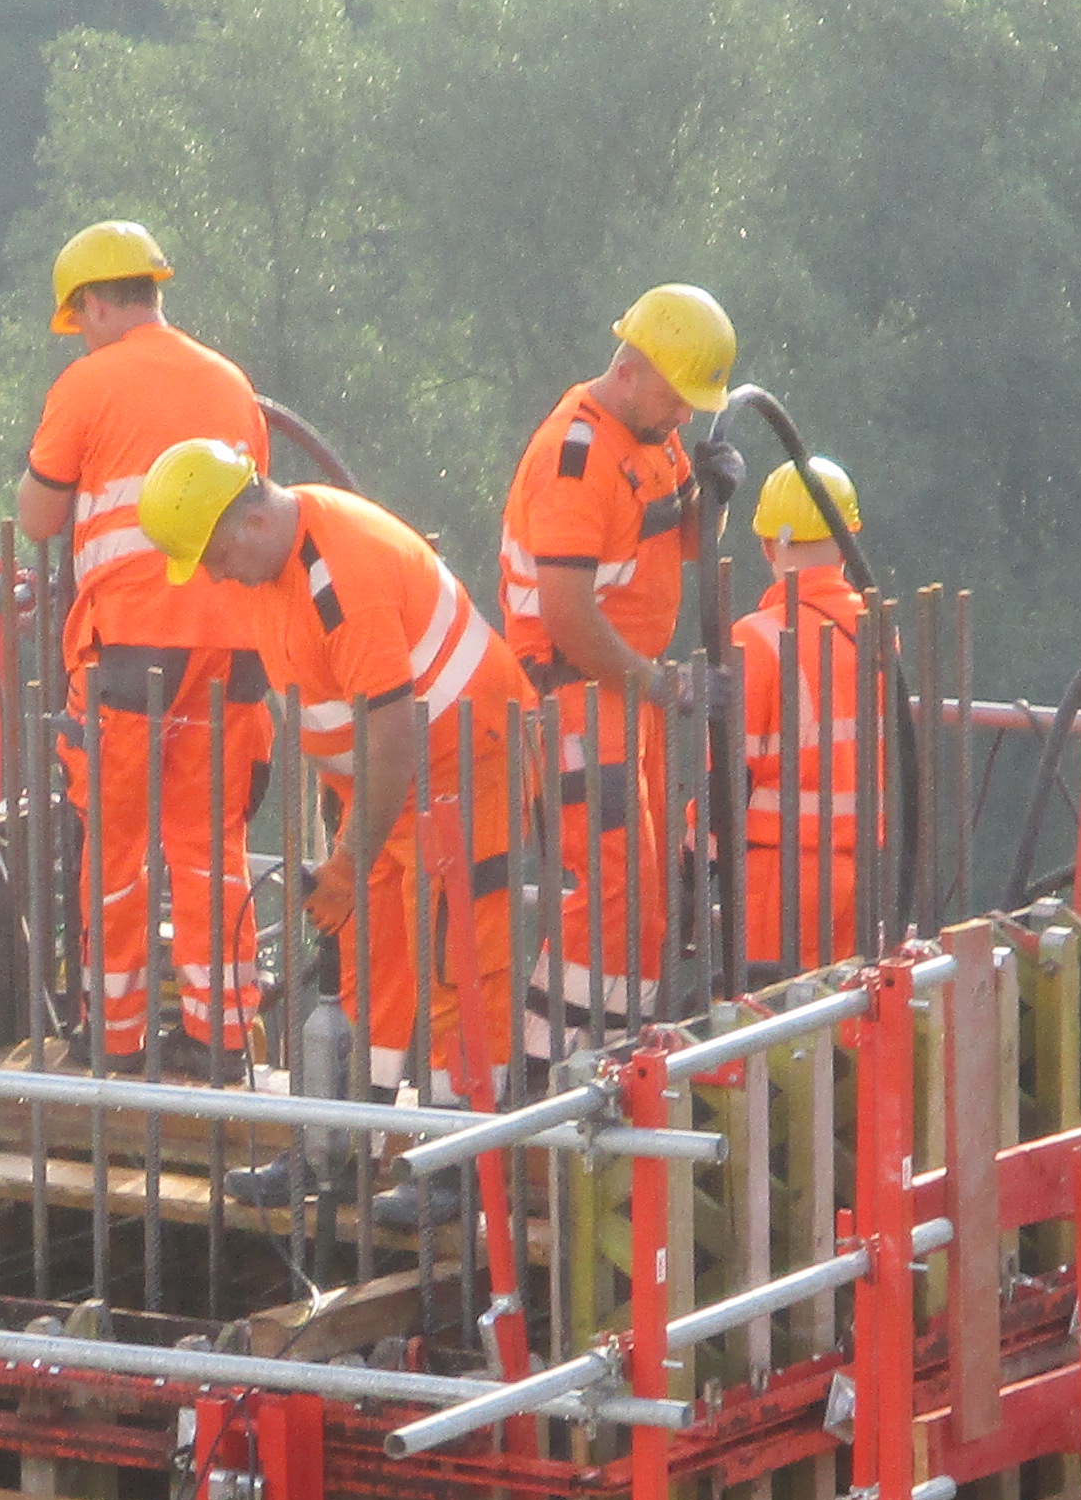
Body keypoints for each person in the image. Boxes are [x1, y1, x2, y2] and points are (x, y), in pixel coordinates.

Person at [136, 437, 530, 1122]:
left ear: (254, 521)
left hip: (463, 776)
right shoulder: (273, 565)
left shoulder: (341, 577)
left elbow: (391, 729)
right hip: (382, 791)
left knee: (453, 970)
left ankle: (456, 1163)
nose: (217, 579)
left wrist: (347, 861)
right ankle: (352, 1142)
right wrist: (346, 829)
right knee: (368, 966)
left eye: (219, 559)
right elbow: (326, 701)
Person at [22, 220, 278, 1067]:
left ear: (93, 305)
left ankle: (120, 1040)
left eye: (79, 316)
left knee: (119, 848)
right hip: (232, 648)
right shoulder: (229, 381)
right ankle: (223, 1035)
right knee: (212, 847)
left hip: (127, 650)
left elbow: (39, 518)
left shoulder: (87, 384)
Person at [498, 283, 740, 1047]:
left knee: (648, 894)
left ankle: (605, 1053)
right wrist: (656, 682)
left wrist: (717, 500)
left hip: (624, 687)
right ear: (632, 369)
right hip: (573, 691)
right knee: (616, 889)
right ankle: (544, 1071)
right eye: (679, 398)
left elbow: (685, 544)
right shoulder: (577, 458)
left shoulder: (651, 436)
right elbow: (567, 616)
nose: (687, 418)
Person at [732, 452, 873, 973]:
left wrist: (687, 859)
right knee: (843, 1035)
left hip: (778, 879)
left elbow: (723, 781)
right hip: (861, 877)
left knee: (767, 1036)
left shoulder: (756, 638)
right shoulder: (881, 635)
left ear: (769, 544)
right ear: (849, 537)